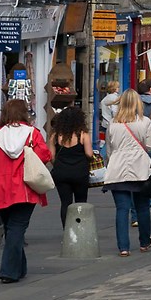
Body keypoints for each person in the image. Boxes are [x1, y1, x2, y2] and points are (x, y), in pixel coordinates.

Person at [0, 98, 51, 283]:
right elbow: (44, 156)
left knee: (11, 228)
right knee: (16, 228)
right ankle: (9, 271)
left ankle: (18, 268)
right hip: (26, 188)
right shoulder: (33, 134)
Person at [103, 90, 151, 257]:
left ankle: (123, 247)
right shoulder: (145, 122)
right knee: (142, 207)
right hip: (140, 169)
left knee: (122, 209)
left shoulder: (112, 124)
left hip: (117, 169)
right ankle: (144, 241)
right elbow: (150, 145)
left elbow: (109, 150)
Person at [47, 93, 91, 227]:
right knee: (81, 203)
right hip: (80, 172)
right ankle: (80, 230)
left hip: (61, 172)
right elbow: (89, 154)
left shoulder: (55, 136)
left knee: (65, 203)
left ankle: (67, 232)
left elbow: (51, 156)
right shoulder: (83, 135)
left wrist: (58, 164)